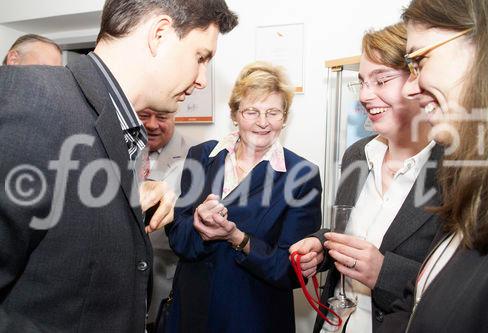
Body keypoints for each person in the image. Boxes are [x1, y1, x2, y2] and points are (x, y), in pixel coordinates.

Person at [0, 0, 238, 331]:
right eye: (200, 58)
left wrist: (127, 201)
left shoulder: (117, 128)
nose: (201, 80)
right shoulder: (36, 99)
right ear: (160, 34)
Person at [289, 23, 442, 333]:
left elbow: (460, 282)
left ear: (418, 80)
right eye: (360, 82)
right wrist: (321, 248)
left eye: (381, 80)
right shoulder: (357, 154)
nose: (364, 95)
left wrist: (384, 272)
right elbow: (347, 232)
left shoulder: (453, 170)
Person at [164, 61, 322, 332]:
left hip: (253, 318)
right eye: (251, 111)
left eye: (273, 112)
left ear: (285, 117)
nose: (262, 123)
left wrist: (239, 239)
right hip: (193, 313)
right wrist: (199, 227)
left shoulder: (302, 175)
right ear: (235, 114)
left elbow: (290, 271)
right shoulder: (202, 157)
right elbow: (178, 239)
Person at [376, 0, 488, 332]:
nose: (408, 87)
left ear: (485, 44)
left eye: (419, 60)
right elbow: (416, 299)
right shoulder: (472, 189)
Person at [136, 108, 192, 330]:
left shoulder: (196, 155)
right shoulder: (114, 148)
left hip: (167, 283)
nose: (152, 124)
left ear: (174, 117)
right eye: (144, 116)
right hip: (118, 285)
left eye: (161, 117)